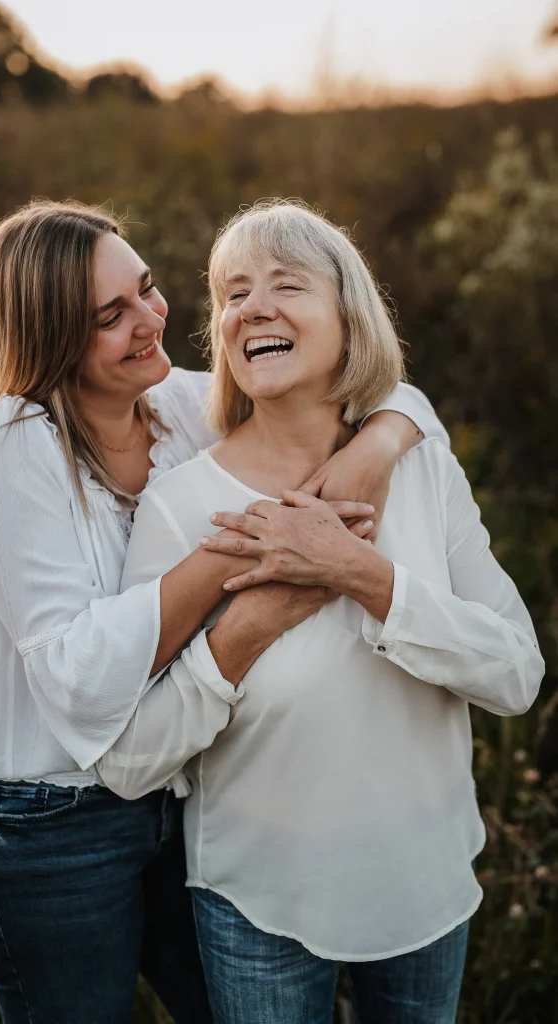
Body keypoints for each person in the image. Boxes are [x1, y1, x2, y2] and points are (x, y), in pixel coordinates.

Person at [0, 199, 446, 1024]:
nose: (150, 321)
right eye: (111, 316)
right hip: (44, 822)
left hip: (170, 788)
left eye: (147, 289)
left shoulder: (176, 405)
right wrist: (250, 543)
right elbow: (73, 677)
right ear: (49, 337)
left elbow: (369, 385)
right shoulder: (8, 440)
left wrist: (379, 441)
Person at [98, 200, 545, 1024]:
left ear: (349, 317)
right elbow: (128, 760)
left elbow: (515, 673)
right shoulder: (180, 508)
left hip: (425, 882)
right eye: (232, 293)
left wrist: (365, 577)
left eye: (285, 284)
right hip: (256, 899)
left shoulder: (417, 464)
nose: (253, 306)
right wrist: (249, 627)